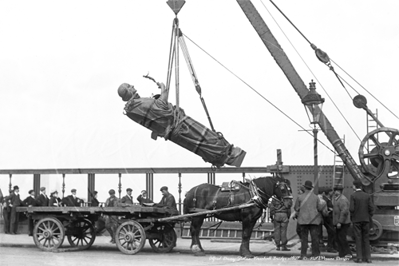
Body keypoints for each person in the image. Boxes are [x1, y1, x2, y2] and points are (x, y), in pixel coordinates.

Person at [117, 82, 246, 168]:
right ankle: (230, 155)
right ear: (128, 91)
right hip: (180, 125)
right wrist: (163, 89)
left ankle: (227, 156)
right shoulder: (137, 104)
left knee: (201, 144)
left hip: (175, 130)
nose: (133, 86)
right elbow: (161, 107)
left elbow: (155, 113)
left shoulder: (131, 109)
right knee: (206, 139)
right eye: (129, 86)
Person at [294, 180, 323, 260]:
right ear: (311, 188)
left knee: (304, 238)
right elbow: (320, 208)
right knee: (315, 238)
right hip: (314, 221)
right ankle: (316, 255)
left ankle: (303, 255)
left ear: (304, 187)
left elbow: (296, 208)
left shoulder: (300, 197)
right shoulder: (316, 197)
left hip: (303, 221)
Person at [350, 179, 374, 263]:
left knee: (358, 238)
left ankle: (359, 258)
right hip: (366, 220)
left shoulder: (353, 196)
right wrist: (368, 216)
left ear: (354, 186)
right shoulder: (367, 196)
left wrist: (353, 215)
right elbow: (371, 209)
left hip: (356, 220)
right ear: (360, 186)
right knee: (366, 239)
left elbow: (351, 209)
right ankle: (368, 258)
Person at [332, 186, 351, 258]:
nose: (334, 192)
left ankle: (347, 253)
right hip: (340, 222)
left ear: (339, 191)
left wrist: (340, 222)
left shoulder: (342, 199)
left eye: (335, 191)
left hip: (343, 223)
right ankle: (342, 253)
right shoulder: (338, 199)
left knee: (341, 238)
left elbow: (344, 211)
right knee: (339, 238)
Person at [321, 187, 337, 252]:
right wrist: (330, 210)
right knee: (332, 232)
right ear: (329, 192)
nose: (332, 193)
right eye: (331, 192)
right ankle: (330, 247)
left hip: (328, 218)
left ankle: (331, 246)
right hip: (327, 218)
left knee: (331, 232)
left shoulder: (327, 199)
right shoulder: (325, 200)